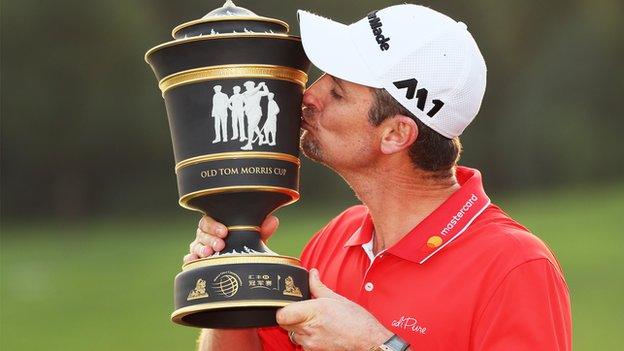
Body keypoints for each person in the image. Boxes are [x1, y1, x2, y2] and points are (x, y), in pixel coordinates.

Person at [185, 4, 572, 351]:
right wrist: (227, 281)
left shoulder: (515, 266)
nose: (308, 95)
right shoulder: (337, 239)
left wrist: (377, 347)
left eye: (336, 93)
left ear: (395, 135)